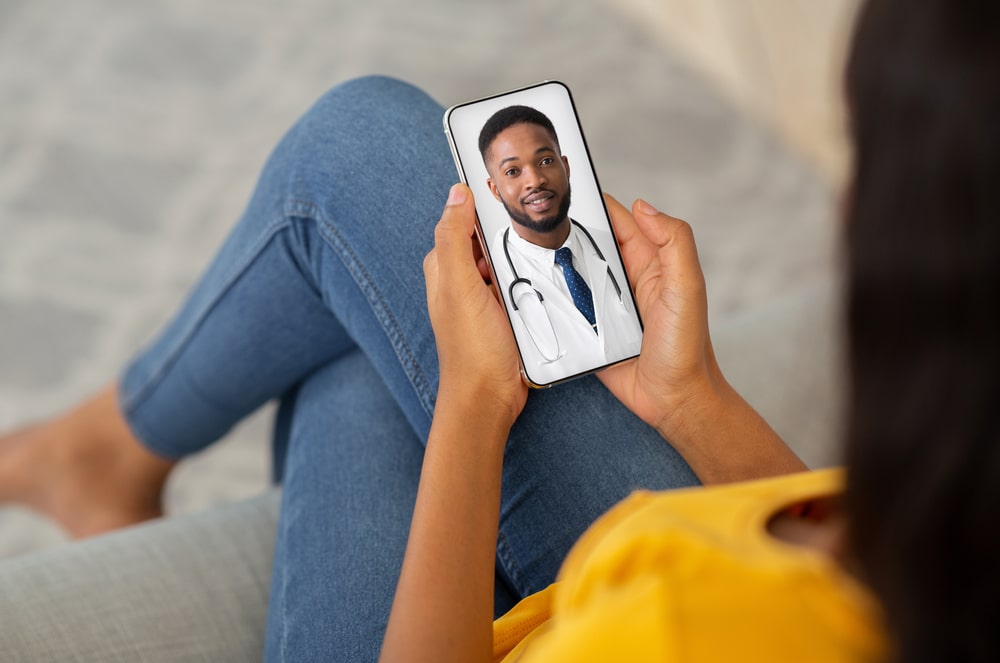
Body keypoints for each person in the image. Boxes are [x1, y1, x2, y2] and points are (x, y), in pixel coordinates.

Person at [2, 0, 996, 661]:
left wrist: (474, 413)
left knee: (357, 181)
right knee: (395, 299)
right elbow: (869, 571)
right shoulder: (951, 526)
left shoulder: (669, 621)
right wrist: (689, 400)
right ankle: (104, 451)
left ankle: (99, 449)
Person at [479, 105, 643, 384]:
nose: (535, 180)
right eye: (513, 171)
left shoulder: (619, 246)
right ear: (495, 190)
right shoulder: (489, 285)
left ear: (565, 167)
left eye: (544, 161)